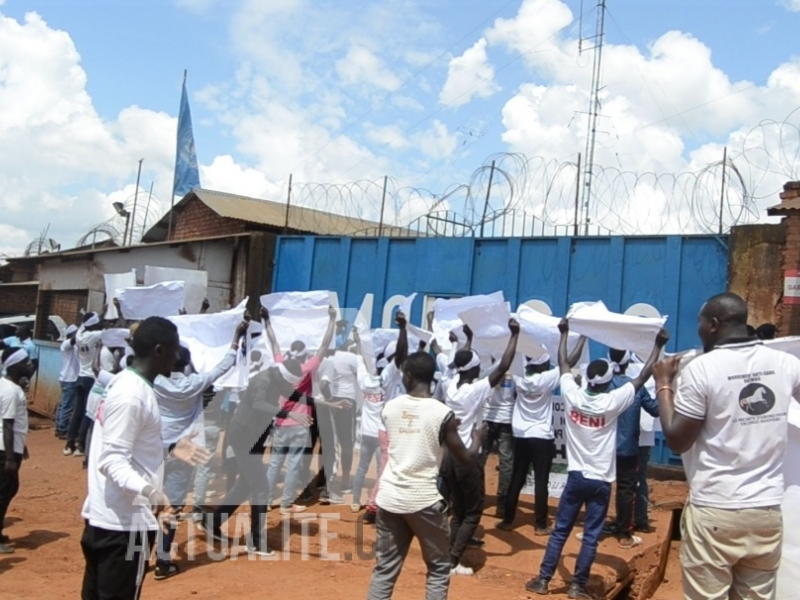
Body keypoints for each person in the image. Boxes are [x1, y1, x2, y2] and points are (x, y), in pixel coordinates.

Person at [653, 292, 800, 600]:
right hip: (766, 512)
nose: (699, 328)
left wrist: (664, 385)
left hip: (716, 510)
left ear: (714, 325)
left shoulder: (702, 369)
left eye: (701, 322)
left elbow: (678, 440)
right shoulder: (788, 364)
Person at [527, 319, 667, 599]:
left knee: (560, 532)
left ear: (588, 379)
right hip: (601, 481)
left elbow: (564, 364)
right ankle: (578, 586)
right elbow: (643, 377)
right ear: (606, 383)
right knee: (591, 536)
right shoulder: (612, 402)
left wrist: (564, 333)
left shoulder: (572, 395)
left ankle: (543, 581)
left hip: (576, 477)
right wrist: (658, 345)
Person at [80, 316, 209, 600]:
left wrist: (173, 448)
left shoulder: (126, 385)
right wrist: (153, 494)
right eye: (174, 349)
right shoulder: (132, 395)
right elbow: (112, 460)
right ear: (159, 350)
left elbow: (130, 451)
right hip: (124, 527)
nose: (177, 357)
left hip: (107, 518)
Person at [365, 351, 485, 600]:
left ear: (408, 377)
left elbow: (412, 432)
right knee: (439, 569)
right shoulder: (443, 414)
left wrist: (445, 428)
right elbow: (466, 457)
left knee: (385, 570)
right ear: (432, 378)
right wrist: (477, 439)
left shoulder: (390, 408)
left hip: (390, 498)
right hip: (423, 501)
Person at [153, 319, 247, 580]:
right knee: (172, 507)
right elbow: (223, 366)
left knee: (150, 504)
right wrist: (236, 338)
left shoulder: (155, 381)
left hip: (156, 449)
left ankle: (140, 555)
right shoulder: (194, 383)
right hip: (185, 451)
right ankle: (163, 560)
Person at [441, 320, 519, 576]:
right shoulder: (475, 391)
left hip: (450, 457)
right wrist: (514, 335)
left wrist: (469, 339)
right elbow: (504, 365)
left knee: (459, 510)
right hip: (468, 457)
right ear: (475, 371)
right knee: (473, 512)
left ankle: (449, 555)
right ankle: (452, 561)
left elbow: (463, 362)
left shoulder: (450, 385)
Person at [498, 341, 586, 534]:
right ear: (542, 366)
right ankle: (540, 524)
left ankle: (508, 519)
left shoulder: (519, 376)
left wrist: (514, 337)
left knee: (516, 478)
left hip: (520, 434)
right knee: (541, 480)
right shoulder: (547, 378)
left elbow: (508, 357)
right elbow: (569, 361)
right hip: (541, 436)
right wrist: (581, 339)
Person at [263, 306, 336, 514]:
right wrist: (331, 319)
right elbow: (323, 345)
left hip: (280, 422)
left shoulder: (279, 368)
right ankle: (286, 503)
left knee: (275, 463)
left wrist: (267, 321)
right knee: (293, 465)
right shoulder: (305, 370)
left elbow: (274, 343)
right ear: (304, 357)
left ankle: (267, 500)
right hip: (300, 423)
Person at [603, 349, 659, 548]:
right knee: (627, 489)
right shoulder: (637, 388)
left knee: (602, 487)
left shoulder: (604, 385)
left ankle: (596, 528)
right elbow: (656, 409)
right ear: (628, 363)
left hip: (604, 448)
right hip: (628, 448)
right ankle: (624, 532)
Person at [363, 313, 409, 524]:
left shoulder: (388, 374)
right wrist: (403, 329)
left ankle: (384, 505)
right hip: (390, 429)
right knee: (388, 469)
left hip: (389, 428)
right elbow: (401, 355)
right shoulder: (392, 371)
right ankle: (373, 508)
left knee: (390, 468)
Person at [0, 347, 33, 554]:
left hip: (10, 446)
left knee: (9, 489)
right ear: (15, 366)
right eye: (26, 362)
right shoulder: (12, 392)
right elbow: (8, 424)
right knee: (4, 492)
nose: (29, 366)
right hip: (6, 450)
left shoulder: (6, 386)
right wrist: (11, 457)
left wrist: (23, 445)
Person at [318, 344, 359, 498]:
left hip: (325, 403)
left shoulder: (321, 358)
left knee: (328, 445)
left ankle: (325, 482)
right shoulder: (349, 357)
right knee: (346, 444)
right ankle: (345, 482)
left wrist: (329, 399)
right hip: (345, 402)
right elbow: (362, 374)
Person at [65, 312, 104, 457]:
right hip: (90, 378)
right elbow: (112, 332)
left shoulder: (80, 335)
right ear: (94, 324)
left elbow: (84, 324)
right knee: (89, 413)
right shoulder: (94, 335)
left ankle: (69, 444)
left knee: (77, 412)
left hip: (80, 377)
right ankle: (81, 444)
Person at [55, 324, 79, 439]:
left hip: (68, 378)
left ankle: (59, 427)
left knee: (63, 405)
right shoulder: (66, 344)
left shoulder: (73, 346)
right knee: (67, 406)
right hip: (69, 379)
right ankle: (62, 429)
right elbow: (74, 340)